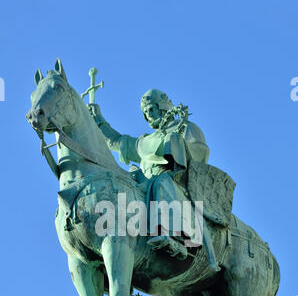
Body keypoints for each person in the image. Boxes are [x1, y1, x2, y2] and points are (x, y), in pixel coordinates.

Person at [89, 89, 217, 267]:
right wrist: (98, 120)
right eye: (145, 113)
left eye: (151, 110)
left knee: (162, 182)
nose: (148, 116)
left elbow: (201, 153)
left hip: (176, 180)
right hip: (145, 182)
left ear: (163, 107)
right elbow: (117, 141)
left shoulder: (186, 127)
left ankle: (175, 237)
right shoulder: (147, 141)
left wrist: (176, 144)